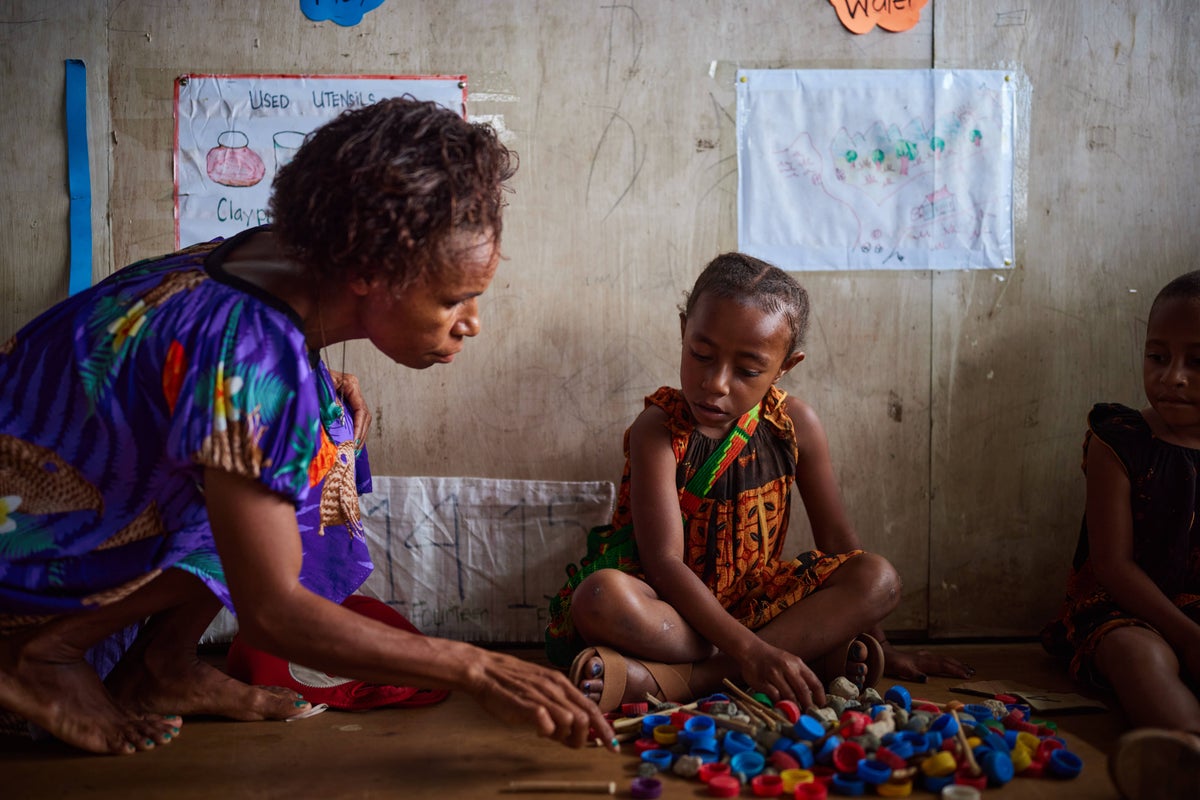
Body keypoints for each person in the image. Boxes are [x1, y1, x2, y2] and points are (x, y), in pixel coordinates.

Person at [0, 97, 614, 756]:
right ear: (366, 273)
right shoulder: (253, 357)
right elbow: (273, 612)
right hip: (24, 535)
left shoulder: (272, 260)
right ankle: (38, 654)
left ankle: (160, 665)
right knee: (305, 452)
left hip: (73, 482)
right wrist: (476, 666)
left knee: (326, 434)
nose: (470, 322)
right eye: (451, 299)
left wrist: (321, 415)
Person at [545, 252, 970, 713]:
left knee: (879, 579)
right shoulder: (659, 430)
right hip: (673, 609)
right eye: (701, 355)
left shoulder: (795, 424)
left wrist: (879, 635)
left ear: (786, 365)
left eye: (747, 371)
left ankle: (687, 682)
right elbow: (664, 563)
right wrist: (755, 652)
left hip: (758, 602)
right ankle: (774, 660)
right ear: (684, 330)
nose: (716, 383)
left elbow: (838, 544)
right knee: (601, 597)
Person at [1041, 270, 1200, 798]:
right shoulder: (1120, 441)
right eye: (1158, 357)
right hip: (1128, 611)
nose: (1173, 377)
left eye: (1197, 362)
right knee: (1139, 658)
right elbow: (1112, 565)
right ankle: (1186, 751)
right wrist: (1187, 635)